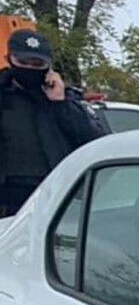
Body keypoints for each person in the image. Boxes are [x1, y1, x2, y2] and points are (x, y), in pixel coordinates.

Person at [0, 29, 106, 216]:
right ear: (9, 59)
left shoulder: (63, 99)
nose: (30, 68)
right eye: (23, 62)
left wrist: (60, 102)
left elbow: (96, 140)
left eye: (37, 64)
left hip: (54, 197)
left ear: (49, 66)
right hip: (7, 200)